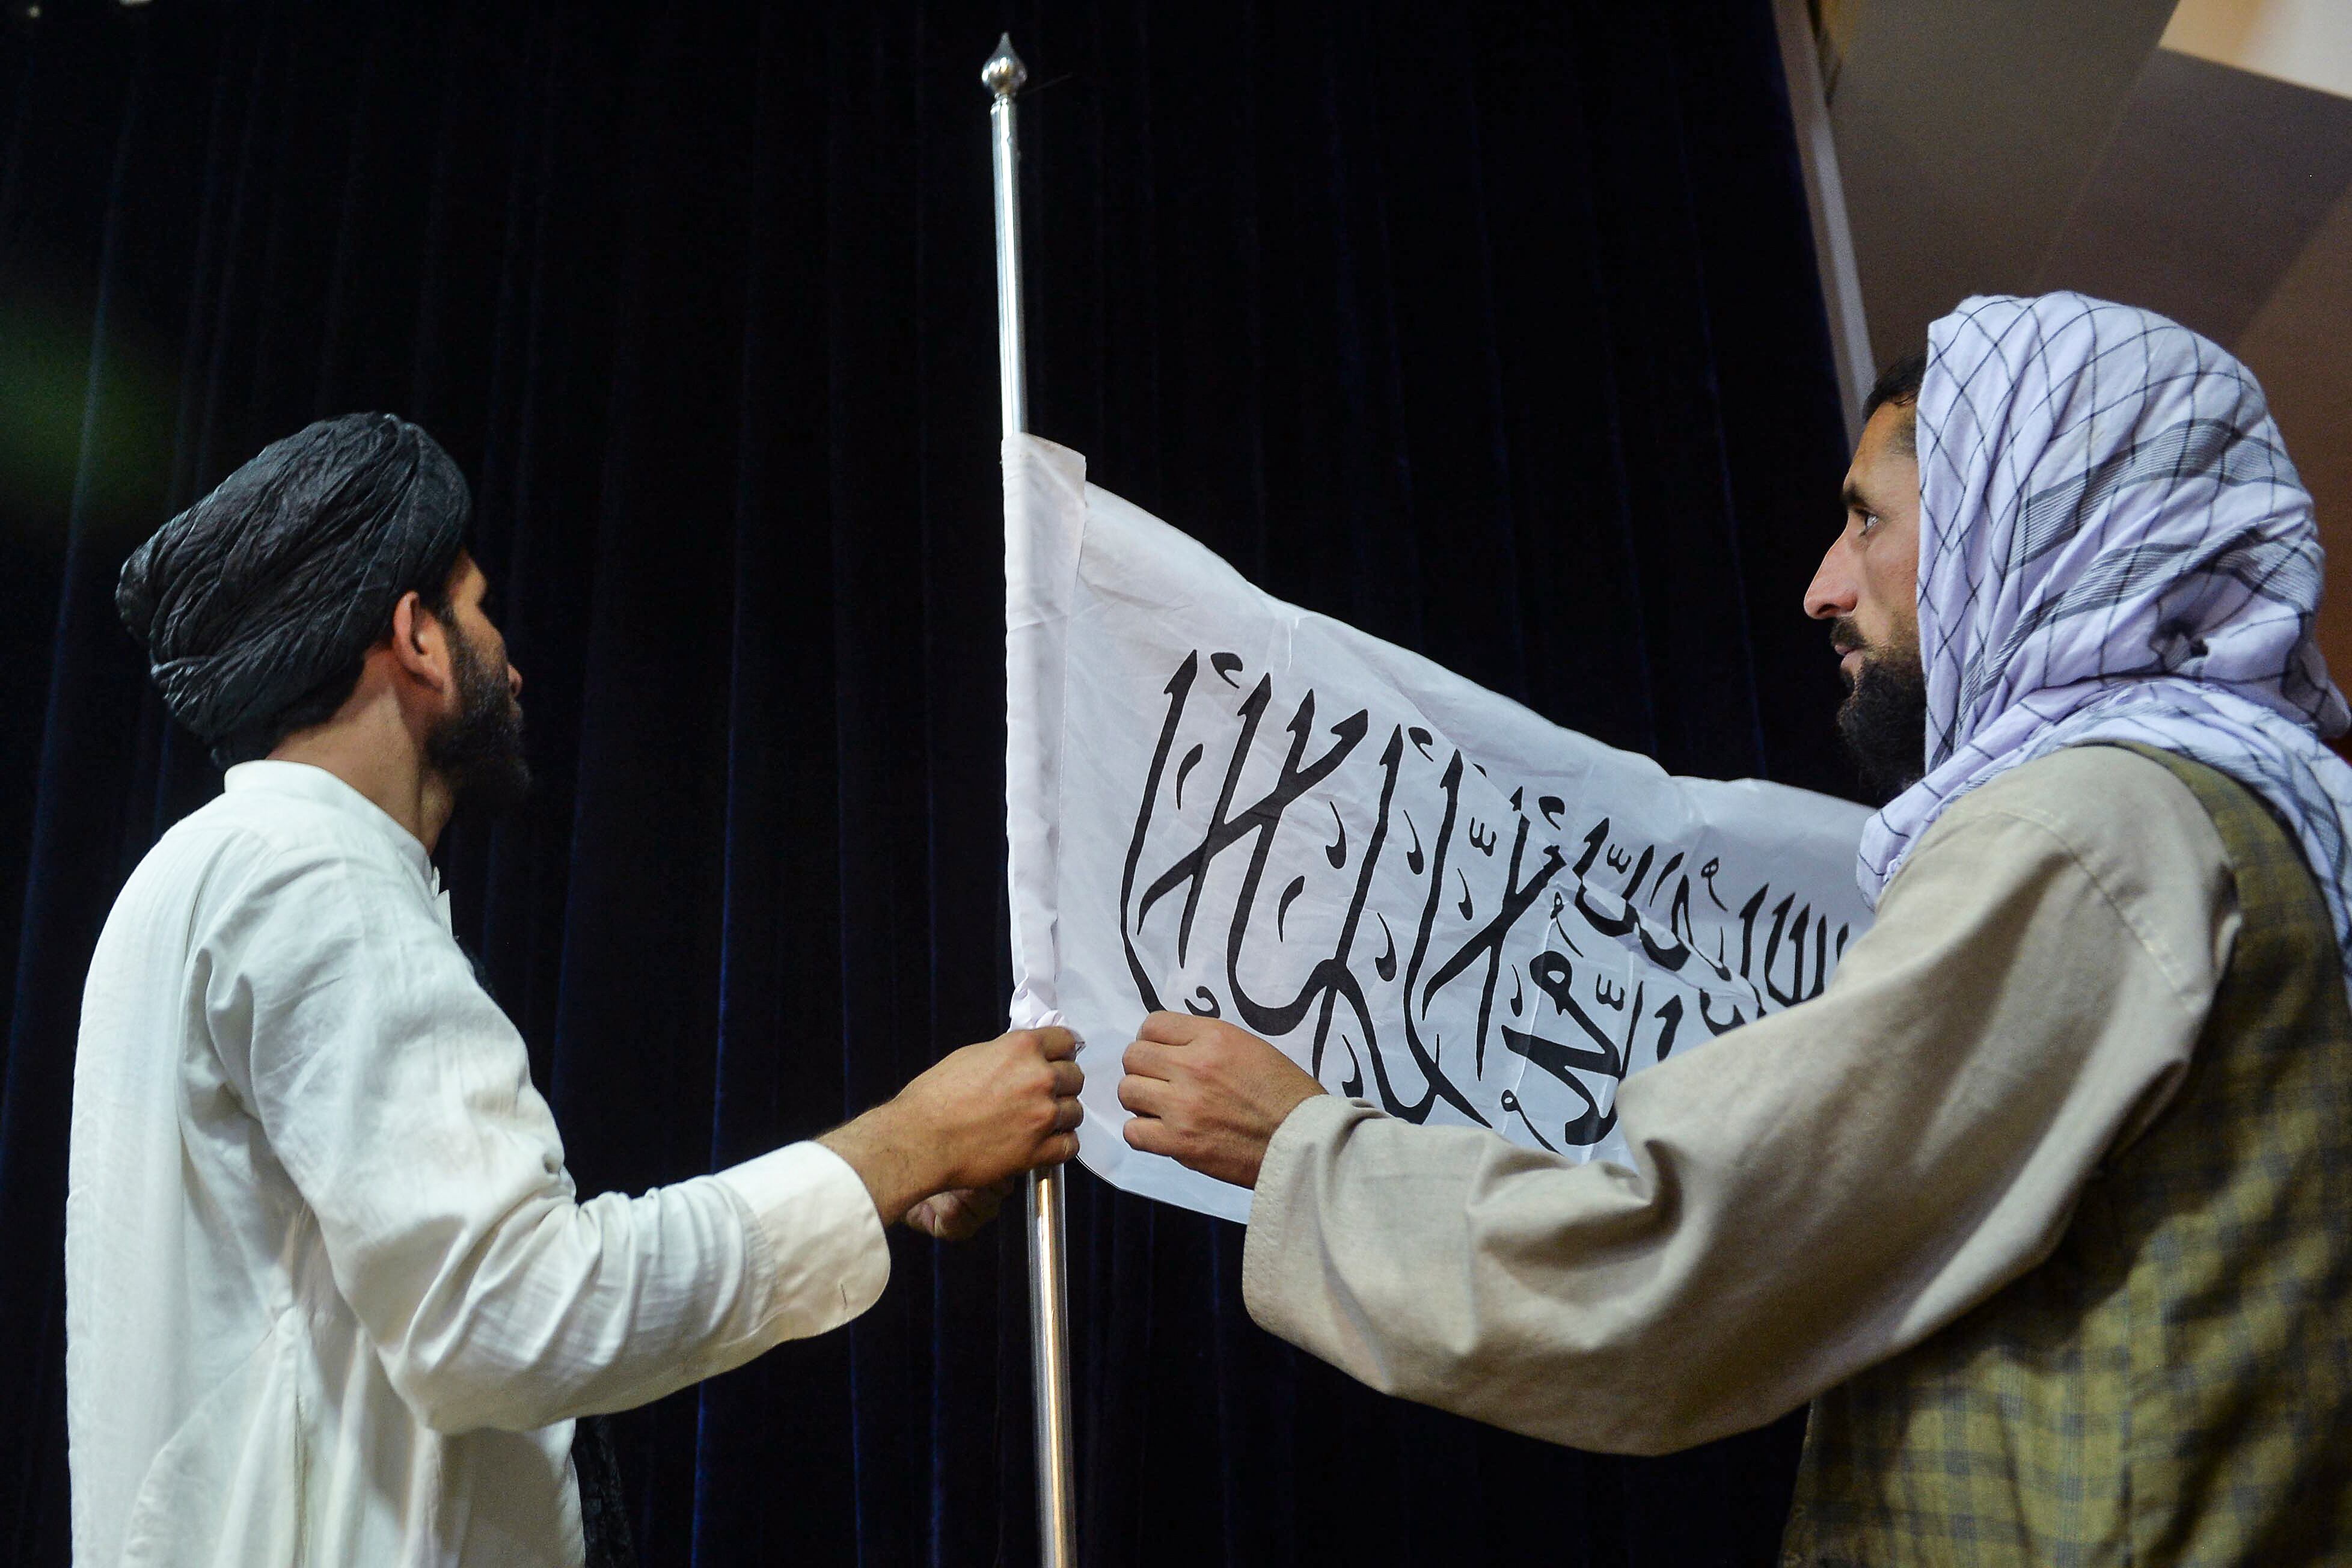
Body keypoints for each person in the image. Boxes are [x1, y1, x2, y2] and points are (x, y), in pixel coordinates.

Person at [1119, 292, 2352, 1562]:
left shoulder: (2091, 826)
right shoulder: (2271, 824)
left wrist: (1307, 1153)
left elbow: (1703, 1238)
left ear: (2034, 515)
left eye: (1870, 519)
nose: (1823, 586)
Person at [66, 414, 1082, 1568]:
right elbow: (506, 1311)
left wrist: (896, 1178)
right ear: (416, 638)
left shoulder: (193, 878)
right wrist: (905, 1143)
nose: (509, 660)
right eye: (480, 607)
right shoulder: (315, 876)